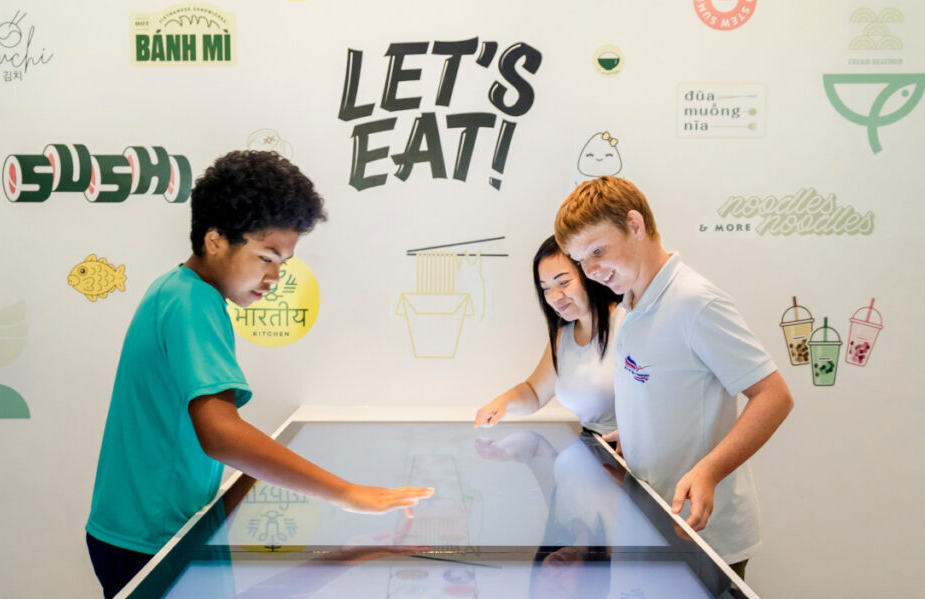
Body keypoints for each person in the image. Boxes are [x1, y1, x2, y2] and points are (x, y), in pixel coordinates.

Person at [85, 150, 434, 598]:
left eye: (282, 264)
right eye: (265, 257)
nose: (273, 277)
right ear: (215, 240)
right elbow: (220, 434)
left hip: (151, 532)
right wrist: (348, 493)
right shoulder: (193, 302)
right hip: (150, 543)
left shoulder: (178, 291)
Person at [554, 176, 793, 578]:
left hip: (703, 537)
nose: (591, 271)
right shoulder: (630, 305)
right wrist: (631, 437)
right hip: (650, 519)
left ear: (635, 224)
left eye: (597, 250)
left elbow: (774, 396)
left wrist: (708, 471)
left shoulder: (694, 302)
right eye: (581, 261)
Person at [474, 236, 623, 434]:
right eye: (545, 288)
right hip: (595, 449)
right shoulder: (564, 335)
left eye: (563, 283)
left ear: (589, 274)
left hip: (632, 452)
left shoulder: (626, 321)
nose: (554, 296)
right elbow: (534, 393)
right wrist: (502, 403)